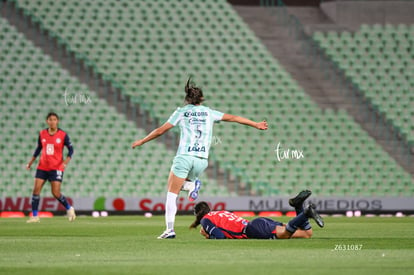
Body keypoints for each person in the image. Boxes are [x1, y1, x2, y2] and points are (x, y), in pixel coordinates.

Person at [132, 78, 268, 239]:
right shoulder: (209, 112)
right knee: (179, 185)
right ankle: (191, 185)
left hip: (185, 156)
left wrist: (142, 141)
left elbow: (160, 131)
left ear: (187, 98)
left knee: (171, 194)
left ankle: (169, 229)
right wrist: (256, 124)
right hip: (202, 160)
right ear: (202, 99)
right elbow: (234, 118)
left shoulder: (181, 112)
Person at [190, 190, 324, 239]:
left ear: (198, 215)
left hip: (253, 230)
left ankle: (306, 213)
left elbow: (219, 236)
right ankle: (299, 206)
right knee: (306, 234)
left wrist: (208, 236)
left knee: (285, 234)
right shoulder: (220, 212)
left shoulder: (205, 220)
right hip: (257, 223)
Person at [26, 112, 76, 223]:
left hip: (56, 168)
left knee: (56, 193)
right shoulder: (42, 133)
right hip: (42, 167)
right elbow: (38, 148)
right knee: (36, 190)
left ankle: (69, 208)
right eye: (50, 119)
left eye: (54, 119)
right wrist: (30, 162)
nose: (52, 121)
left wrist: (65, 162)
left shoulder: (63, 135)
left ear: (57, 121)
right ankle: (35, 216)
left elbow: (71, 150)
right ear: (47, 121)